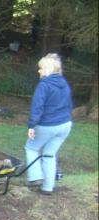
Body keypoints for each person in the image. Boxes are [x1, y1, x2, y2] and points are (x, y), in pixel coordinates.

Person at [25, 53, 72, 195]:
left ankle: (35, 177)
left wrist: (32, 125)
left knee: (31, 148)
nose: (38, 71)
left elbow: (37, 106)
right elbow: (69, 105)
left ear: (47, 69)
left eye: (40, 68)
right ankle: (47, 187)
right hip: (65, 125)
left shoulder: (44, 85)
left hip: (48, 125)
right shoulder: (64, 83)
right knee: (50, 155)